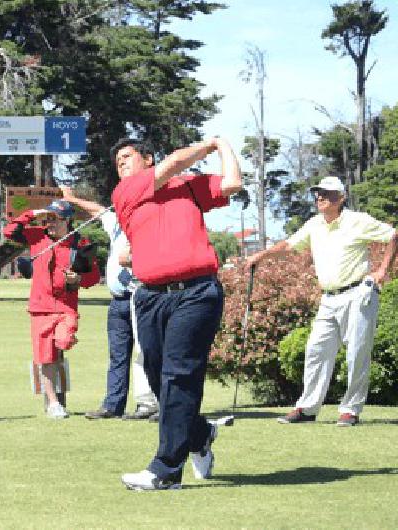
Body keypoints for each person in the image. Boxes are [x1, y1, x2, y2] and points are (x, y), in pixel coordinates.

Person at [110, 137, 242, 491]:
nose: (121, 164)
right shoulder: (127, 193)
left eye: (128, 157)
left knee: (178, 376)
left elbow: (232, 183)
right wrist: (210, 143)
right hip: (152, 297)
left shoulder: (188, 188)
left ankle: (166, 469)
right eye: (117, 161)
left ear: (148, 158)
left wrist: (225, 147)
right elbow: (174, 165)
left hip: (196, 293)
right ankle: (199, 434)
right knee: (158, 379)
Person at [245, 176, 398, 427]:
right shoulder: (314, 224)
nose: (320, 198)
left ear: (341, 198)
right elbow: (289, 245)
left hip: (358, 293)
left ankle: (350, 410)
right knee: (316, 351)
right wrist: (261, 256)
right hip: (328, 298)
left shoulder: (357, 221)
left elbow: (394, 236)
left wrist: (383, 270)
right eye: (317, 194)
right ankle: (307, 408)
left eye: (326, 194)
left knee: (357, 354)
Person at [59, 186, 158, 421]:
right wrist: (71, 199)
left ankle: (148, 403)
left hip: (140, 295)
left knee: (144, 351)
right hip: (117, 300)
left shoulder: (147, 223)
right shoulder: (115, 223)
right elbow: (98, 210)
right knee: (118, 355)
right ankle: (113, 404)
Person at [3, 199, 100, 419]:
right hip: (40, 308)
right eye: (48, 219)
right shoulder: (37, 235)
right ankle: (53, 403)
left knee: (63, 342)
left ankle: (58, 392)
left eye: (55, 219)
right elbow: (9, 231)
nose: (50, 223)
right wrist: (32, 212)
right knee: (45, 358)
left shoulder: (80, 242)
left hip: (66, 308)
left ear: (67, 220)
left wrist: (79, 278)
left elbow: (93, 277)